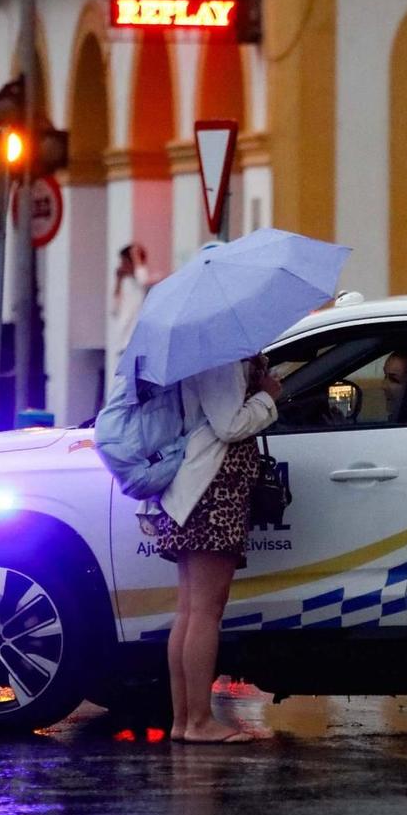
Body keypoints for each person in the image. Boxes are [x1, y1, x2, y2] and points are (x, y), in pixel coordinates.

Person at [153, 352, 282, 743]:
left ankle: (184, 720)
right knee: (205, 612)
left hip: (196, 487)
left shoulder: (202, 355)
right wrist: (267, 397)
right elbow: (230, 425)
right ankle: (199, 722)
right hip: (213, 491)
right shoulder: (220, 358)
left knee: (191, 610)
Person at [107, 244, 153, 379]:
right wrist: (118, 281)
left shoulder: (141, 284)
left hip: (135, 341)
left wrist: (135, 256)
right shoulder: (125, 283)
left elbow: (143, 280)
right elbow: (114, 310)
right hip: (122, 341)